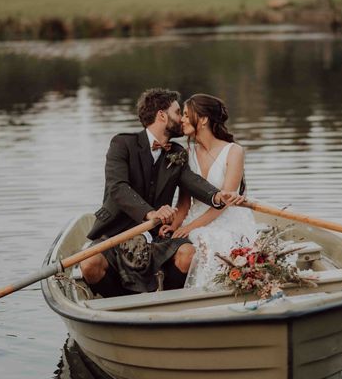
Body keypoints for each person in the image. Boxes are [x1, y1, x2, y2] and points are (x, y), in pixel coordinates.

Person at [81, 88, 242, 297]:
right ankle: (118, 304)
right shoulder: (122, 144)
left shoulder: (177, 153)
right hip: (115, 233)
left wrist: (217, 196)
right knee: (89, 265)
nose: (182, 119)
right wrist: (151, 214)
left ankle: (166, 301)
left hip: (157, 237)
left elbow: (193, 182)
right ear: (162, 115)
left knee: (187, 254)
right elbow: (117, 188)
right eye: (178, 112)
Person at [159, 94, 258, 290]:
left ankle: (211, 294)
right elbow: (184, 203)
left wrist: (190, 228)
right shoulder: (186, 154)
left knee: (207, 240)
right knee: (190, 243)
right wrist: (175, 226)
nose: (182, 119)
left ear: (203, 119)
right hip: (195, 218)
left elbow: (224, 202)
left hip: (225, 218)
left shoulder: (233, 151)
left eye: (187, 115)